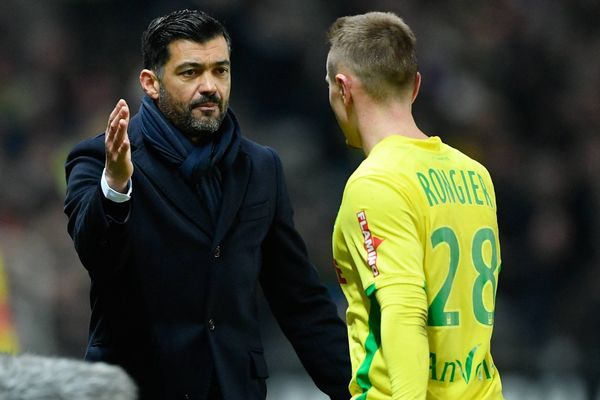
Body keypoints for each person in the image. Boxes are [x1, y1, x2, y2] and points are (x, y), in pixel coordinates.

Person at [64, 9, 351, 400]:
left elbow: (299, 300)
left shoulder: (260, 168)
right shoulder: (101, 158)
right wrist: (115, 185)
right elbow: (96, 254)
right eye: (190, 72)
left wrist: (360, 392)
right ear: (150, 82)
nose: (210, 86)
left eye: (220, 70)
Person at [326, 11, 504, 399]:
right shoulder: (475, 175)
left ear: (343, 88)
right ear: (416, 86)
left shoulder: (375, 183)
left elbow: (404, 313)